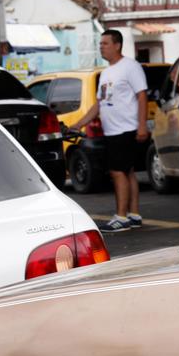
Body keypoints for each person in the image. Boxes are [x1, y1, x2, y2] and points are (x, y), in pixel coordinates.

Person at [69, 30, 149, 232]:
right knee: (127, 171)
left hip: (126, 128)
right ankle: (133, 214)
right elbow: (99, 103)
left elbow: (142, 96)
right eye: (100, 44)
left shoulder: (130, 67)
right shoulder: (106, 73)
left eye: (105, 43)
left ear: (117, 45)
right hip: (112, 130)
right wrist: (78, 124)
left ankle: (121, 217)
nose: (101, 47)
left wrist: (141, 125)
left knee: (117, 171)